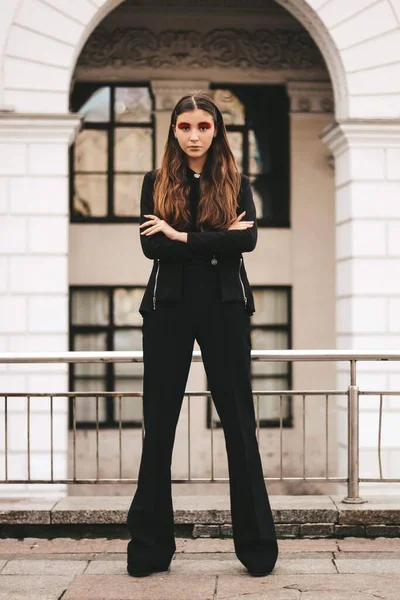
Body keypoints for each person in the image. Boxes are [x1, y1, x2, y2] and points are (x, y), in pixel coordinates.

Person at [126, 91, 278, 578]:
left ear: (217, 131)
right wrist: (214, 240)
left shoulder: (236, 181)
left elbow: (248, 240)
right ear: (173, 130)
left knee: (238, 422)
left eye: (203, 126)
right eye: (185, 126)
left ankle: (257, 549)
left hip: (225, 307)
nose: (194, 134)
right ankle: (150, 549)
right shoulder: (155, 182)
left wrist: (181, 236)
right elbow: (152, 249)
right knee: (160, 425)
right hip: (166, 309)